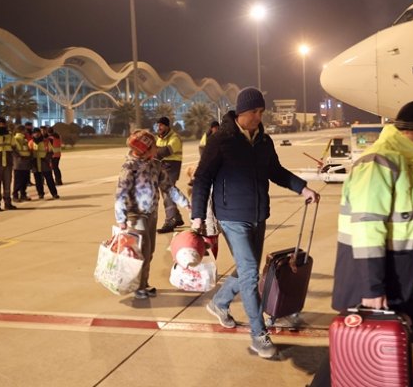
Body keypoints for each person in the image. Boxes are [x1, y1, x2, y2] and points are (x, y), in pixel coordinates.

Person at [332, 100, 413, 387]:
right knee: (355, 352)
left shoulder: (404, 161)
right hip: (378, 279)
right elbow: (367, 229)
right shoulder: (379, 162)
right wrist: (372, 289)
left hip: (407, 279)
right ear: (410, 132)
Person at [191, 87, 320, 359]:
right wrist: (197, 216)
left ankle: (219, 302)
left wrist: (303, 189)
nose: (258, 117)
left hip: (258, 215)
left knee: (246, 271)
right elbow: (202, 178)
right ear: (241, 112)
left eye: (261, 112)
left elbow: (276, 171)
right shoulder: (222, 140)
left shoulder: (264, 141)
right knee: (250, 275)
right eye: (254, 112)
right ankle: (258, 335)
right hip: (231, 216)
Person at [115, 130, 191, 299]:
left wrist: (186, 203)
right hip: (136, 215)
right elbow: (121, 193)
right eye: (153, 146)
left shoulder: (155, 164)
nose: (156, 148)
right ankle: (138, 287)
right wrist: (121, 218)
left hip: (151, 214)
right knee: (141, 250)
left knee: (149, 251)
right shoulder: (130, 167)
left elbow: (168, 187)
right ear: (144, 149)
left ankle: (144, 283)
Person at [154, 116, 184, 233]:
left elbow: (166, 151)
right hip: (162, 167)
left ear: (167, 126)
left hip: (172, 167)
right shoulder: (159, 138)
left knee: (168, 193)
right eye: (158, 125)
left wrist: (155, 150)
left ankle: (170, 220)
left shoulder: (175, 137)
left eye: (161, 125)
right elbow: (158, 152)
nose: (159, 127)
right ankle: (177, 218)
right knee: (169, 192)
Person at [29, 127, 59, 200]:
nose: (36, 134)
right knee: (38, 181)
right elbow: (29, 153)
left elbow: (51, 151)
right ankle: (40, 194)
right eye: (35, 133)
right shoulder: (31, 142)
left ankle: (54, 193)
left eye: (38, 132)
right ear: (33, 134)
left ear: (40, 133)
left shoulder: (46, 141)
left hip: (44, 163)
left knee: (49, 179)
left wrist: (46, 158)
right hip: (35, 164)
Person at [11, 124, 32, 202]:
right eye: (24, 130)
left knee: (24, 180)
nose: (26, 132)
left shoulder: (24, 139)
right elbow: (14, 150)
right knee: (18, 180)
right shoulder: (16, 139)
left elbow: (26, 149)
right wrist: (20, 156)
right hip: (19, 162)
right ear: (22, 131)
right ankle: (15, 195)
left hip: (24, 162)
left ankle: (23, 194)